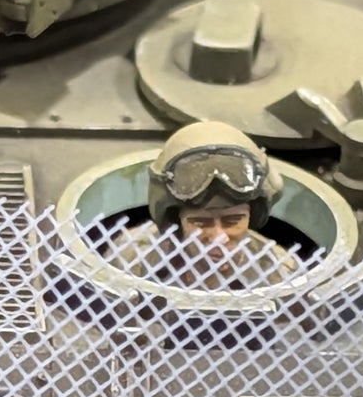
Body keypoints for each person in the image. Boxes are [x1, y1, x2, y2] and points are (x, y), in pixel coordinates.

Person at [111, 124, 304, 292]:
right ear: (176, 220)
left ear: (252, 216)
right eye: (200, 222)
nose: (219, 238)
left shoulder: (279, 274)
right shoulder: (130, 258)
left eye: (233, 221)